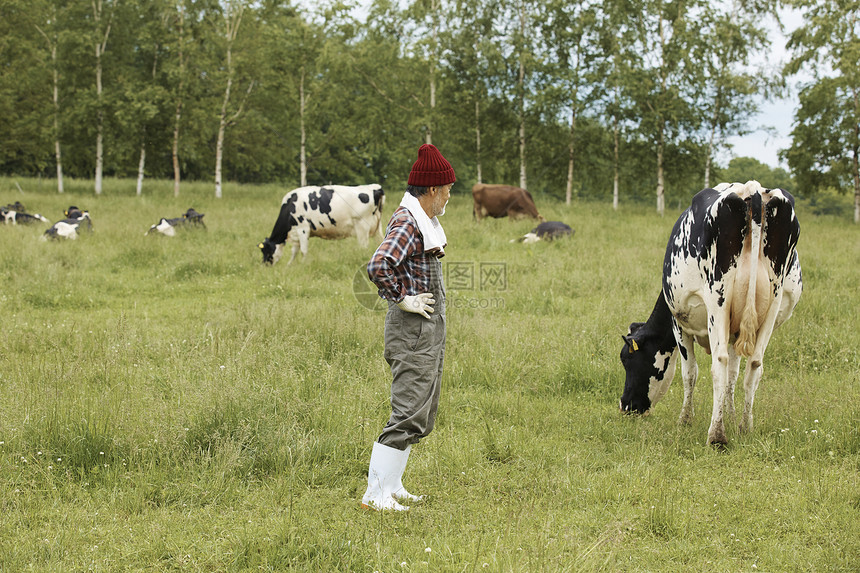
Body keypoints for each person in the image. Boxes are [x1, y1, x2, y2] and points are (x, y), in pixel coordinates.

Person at [361, 143, 455, 511]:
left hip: (425, 332)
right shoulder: (407, 222)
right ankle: (375, 494)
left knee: (421, 409)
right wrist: (402, 298)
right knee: (407, 409)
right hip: (411, 332)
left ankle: (393, 484)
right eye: (446, 190)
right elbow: (378, 265)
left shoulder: (422, 221)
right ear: (431, 189)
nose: (449, 196)